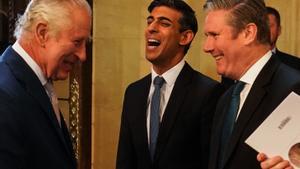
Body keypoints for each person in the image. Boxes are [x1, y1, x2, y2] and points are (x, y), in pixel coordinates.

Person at [116, 0, 222, 168]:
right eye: (150, 21)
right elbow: (125, 160)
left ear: (185, 37)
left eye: (164, 23)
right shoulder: (133, 92)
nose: (151, 28)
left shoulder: (208, 93)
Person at [202, 0, 300, 169]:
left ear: (248, 33)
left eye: (215, 35)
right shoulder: (226, 99)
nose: (207, 47)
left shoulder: (295, 88)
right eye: (207, 36)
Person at [0, 0, 91, 168]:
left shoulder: (39, 85)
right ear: (42, 33)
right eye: (77, 42)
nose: (83, 55)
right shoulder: (5, 95)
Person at [267, 6, 300, 70]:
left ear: (279, 30)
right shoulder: (243, 63)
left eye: (270, 25)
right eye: (262, 25)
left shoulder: (295, 65)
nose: (266, 29)